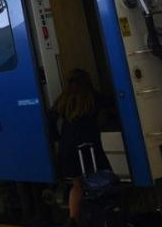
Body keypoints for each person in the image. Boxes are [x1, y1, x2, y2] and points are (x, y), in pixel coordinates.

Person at [52, 69, 112, 227]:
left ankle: (74, 218)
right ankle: (102, 215)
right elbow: (110, 104)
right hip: (90, 147)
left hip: (69, 150)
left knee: (77, 184)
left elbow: (51, 119)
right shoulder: (92, 97)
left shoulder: (63, 100)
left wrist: (58, 139)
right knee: (101, 177)